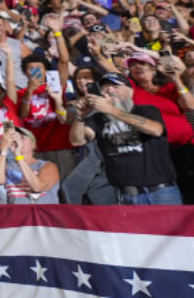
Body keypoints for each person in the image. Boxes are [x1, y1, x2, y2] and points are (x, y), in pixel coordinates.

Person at [70, 73, 180, 204]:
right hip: (125, 195)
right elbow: (77, 140)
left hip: (160, 193)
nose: (110, 90)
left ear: (130, 91)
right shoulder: (97, 119)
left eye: (116, 86)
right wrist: (80, 117)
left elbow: (155, 130)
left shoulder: (146, 110)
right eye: (105, 87)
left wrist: (111, 110)